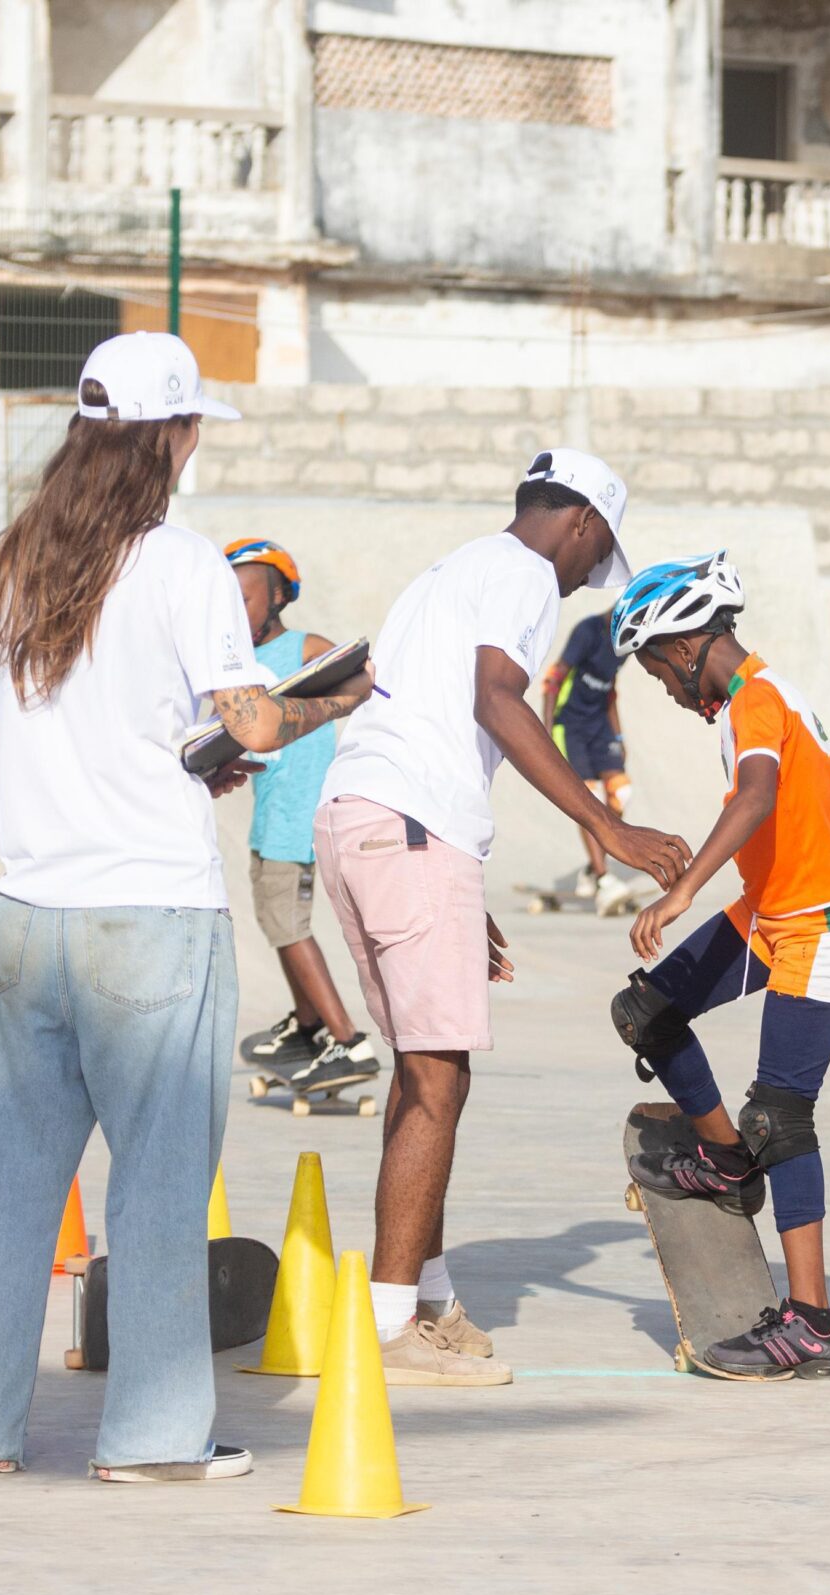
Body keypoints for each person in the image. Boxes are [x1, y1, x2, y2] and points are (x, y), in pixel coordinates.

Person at [0, 331, 371, 1481]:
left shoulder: (21, 554)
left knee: (14, 1189)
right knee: (163, 1187)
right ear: (170, 433)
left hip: (27, 909)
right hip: (150, 919)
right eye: (194, 424)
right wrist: (330, 700)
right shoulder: (179, 562)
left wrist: (195, 758)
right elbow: (257, 721)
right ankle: (156, 1436)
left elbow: (94, 722)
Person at [314, 447, 690, 1385]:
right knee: (437, 1080)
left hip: (368, 820)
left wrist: (458, 883)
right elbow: (497, 699)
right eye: (590, 560)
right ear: (583, 524)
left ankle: (427, 1296)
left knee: (426, 1068)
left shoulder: (453, 571)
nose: (579, 579)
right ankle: (392, 1322)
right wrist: (606, 823)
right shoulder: (525, 575)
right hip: (408, 830)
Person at [608, 550, 830, 1381]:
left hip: (822, 927)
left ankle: (811, 1325)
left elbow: (756, 795)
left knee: (782, 1121)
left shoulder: (754, 700)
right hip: (774, 917)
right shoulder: (765, 698)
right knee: (648, 1010)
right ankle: (724, 1162)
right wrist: (791, 876)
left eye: (659, 674)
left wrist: (685, 889)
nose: (667, 692)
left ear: (686, 647)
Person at [223, 538, 382, 1098]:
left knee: (290, 927)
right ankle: (308, 1025)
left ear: (280, 596)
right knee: (275, 921)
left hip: (300, 814)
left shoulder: (300, 647)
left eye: (245, 599)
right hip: (270, 815)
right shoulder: (231, 662)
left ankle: (347, 1040)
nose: (234, 612)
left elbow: (368, 678)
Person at [538, 602, 643, 916]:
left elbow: (609, 691)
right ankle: (602, 877)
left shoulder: (624, 643)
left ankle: (592, 868)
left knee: (621, 793)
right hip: (570, 726)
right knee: (590, 797)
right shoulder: (588, 631)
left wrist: (619, 736)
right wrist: (544, 732)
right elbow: (554, 680)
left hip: (600, 727)